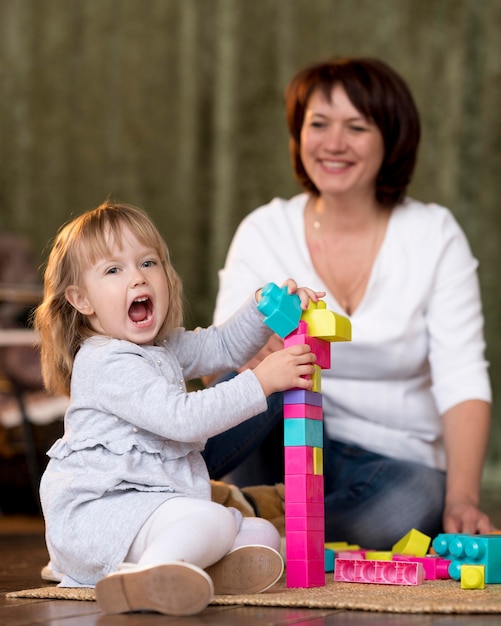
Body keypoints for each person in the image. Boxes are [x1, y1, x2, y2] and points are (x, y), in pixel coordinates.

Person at [202, 57, 494, 550]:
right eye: (318, 124)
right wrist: (258, 351)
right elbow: (221, 373)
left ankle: (231, 530)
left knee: (411, 506)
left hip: (388, 462)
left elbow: (462, 377)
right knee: (257, 378)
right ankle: (152, 501)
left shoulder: (434, 235)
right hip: (277, 442)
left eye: (356, 127)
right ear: (300, 135)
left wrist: (461, 499)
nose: (333, 143)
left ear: (391, 140)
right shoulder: (264, 230)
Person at [33, 201, 323, 616]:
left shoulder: (160, 348)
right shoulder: (107, 362)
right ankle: (151, 576)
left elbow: (221, 345)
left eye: (148, 262)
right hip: (100, 516)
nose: (137, 277)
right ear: (81, 299)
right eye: (114, 270)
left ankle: (199, 569)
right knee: (215, 520)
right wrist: (261, 381)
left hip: (145, 512)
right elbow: (182, 419)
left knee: (259, 532)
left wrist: (262, 307)